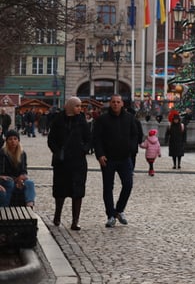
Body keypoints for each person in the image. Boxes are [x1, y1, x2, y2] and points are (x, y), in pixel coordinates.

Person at [92, 94, 138, 228]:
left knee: (128, 184)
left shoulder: (129, 118)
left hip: (125, 158)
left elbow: (135, 135)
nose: (116, 104)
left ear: (122, 103)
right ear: (110, 103)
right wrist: (100, 154)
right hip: (108, 159)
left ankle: (119, 210)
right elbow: (97, 138)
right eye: (113, 102)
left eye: (118, 102)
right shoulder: (102, 119)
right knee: (108, 188)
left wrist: (132, 148)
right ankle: (110, 215)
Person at [47, 97, 91, 230]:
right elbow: (51, 139)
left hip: (78, 162)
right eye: (77, 106)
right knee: (60, 190)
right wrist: (57, 152)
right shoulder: (58, 120)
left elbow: (89, 138)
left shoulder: (82, 121)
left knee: (77, 191)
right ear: (70, 106)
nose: (79, 108)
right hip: (62, 162)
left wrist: (84, 149)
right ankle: (57, 215)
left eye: (80, 106)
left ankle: (75, 221)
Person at [0, 130, 35, 207]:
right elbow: (2, 172)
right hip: (6, 179)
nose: (13, 141)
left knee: (30, 183)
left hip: (18, 179)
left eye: (15, 139)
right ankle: (5, 208)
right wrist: (15, 179)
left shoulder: (22, 153)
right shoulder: (2, 153)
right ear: (7, 141)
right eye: (10, 139)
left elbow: (24, 169)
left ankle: (29, 206)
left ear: (18, 140)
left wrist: (22, 176)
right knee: (10, 182)